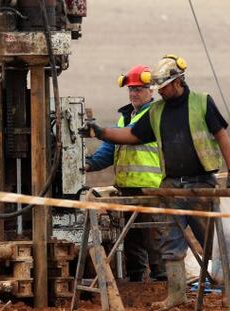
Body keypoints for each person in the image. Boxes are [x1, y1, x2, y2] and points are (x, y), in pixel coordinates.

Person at [79, 54, 230, 310]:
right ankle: (176, 294)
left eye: (163, 86)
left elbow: (221, 135)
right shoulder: (157, 111)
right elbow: (132, 135)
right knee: (170, 241)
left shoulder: (201, 103)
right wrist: (102, 132)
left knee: (212, 240)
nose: (159, 91)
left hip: (200, 183)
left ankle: (229, 294)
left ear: (178, 82)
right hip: (171, 185)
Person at [86, 64, 165, 282]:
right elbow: (109, 151)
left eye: (139, 89)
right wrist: (87, 164)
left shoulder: (156, 114)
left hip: (151, 186)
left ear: (151, 90)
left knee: (154, 233)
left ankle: (162, 277)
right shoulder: (125, 118)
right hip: (127, 187)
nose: (133, 93)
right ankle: (136, 276)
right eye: (131, 89)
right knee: (131, 235)